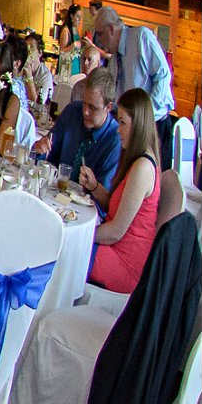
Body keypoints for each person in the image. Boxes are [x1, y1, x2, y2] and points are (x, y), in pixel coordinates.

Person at [84, 89, 161, 293]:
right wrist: (94, 186)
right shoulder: (138, 160)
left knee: (65, 249)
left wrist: (80, 233)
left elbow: (116, 232)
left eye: (123, 123)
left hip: (124, 262)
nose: (118, 130)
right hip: (116, 249)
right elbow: (117, 207)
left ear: (138, 126)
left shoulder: (143, 168)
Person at [38, 67, 121, 217]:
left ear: (108, 107)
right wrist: (40, 149)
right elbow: (48, 157)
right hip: (55, 197)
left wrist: (95, 186)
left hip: (85, 211)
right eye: (84, 103)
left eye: (93, 107)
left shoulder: (114, 140)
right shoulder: (72, 112)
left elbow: (107, 204)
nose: (85, 112)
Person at [91, 7, 174, 152]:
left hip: (153, 125)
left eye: (100, 34)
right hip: (128, 127)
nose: (98, 41)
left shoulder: (141, 37)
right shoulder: (114, 59)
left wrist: (145, 117)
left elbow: (163, 75)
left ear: (111, 29)